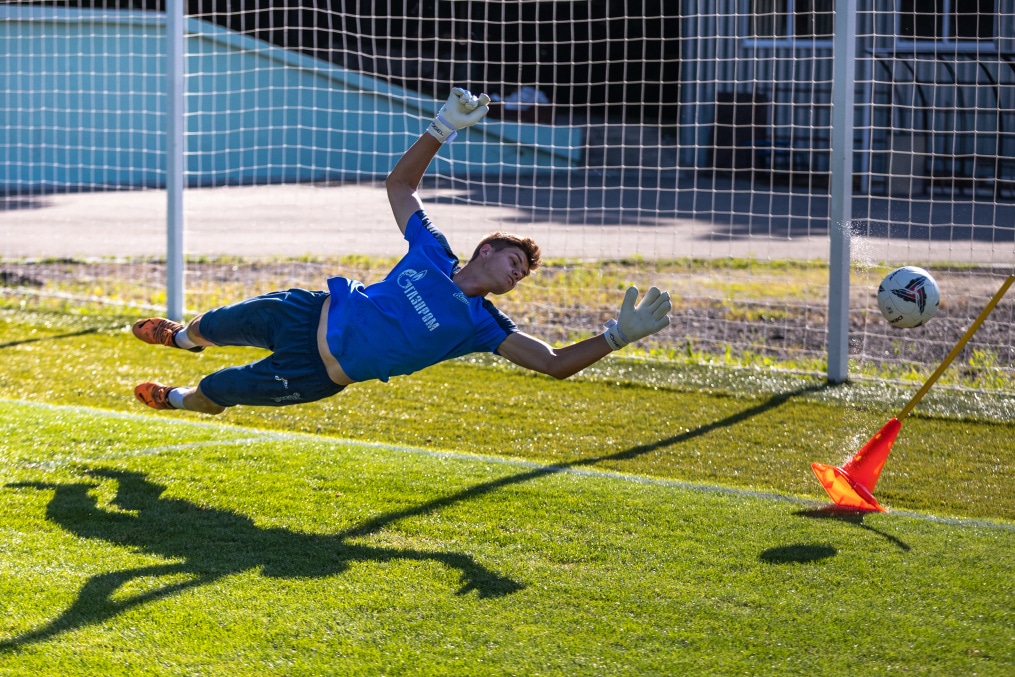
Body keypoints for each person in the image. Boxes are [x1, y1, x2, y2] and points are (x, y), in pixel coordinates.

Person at [132, 87, 672, 415]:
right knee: (212, 325)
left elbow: (553, 364)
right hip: (305, 313)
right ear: (485, 249)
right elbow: (400, 187)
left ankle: (175, 398)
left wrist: (617, 336)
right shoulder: (432, 252)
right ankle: (180, 337)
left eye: (523, 275)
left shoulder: (483, 325)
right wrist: (442, 129)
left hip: (316, 373)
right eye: (514, 262)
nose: (517, 275)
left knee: (216, 391)